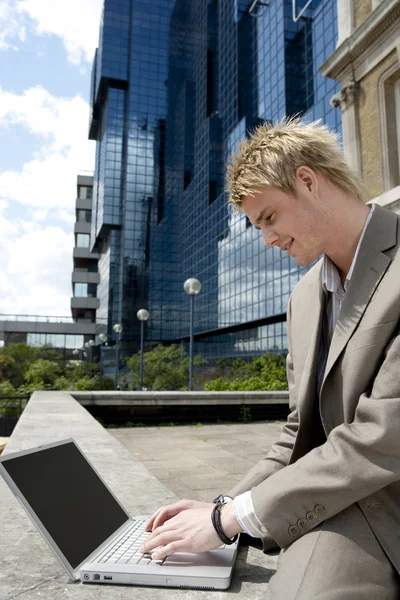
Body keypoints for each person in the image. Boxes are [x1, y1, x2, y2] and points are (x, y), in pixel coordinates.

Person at [139, 118, 400, 598]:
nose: (267, 240)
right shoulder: (303, 298)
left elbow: (384, 437)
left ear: (306, 181)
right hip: (324, 499)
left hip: (386, 505)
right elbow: (295, 435)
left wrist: (232, 519)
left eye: (269, 218)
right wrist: (223, 507)